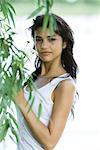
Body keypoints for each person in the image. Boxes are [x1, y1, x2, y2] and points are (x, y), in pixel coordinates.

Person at [15, 13, 78, 150]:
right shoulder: (32, 79)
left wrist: (22, 102)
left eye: (51, 39)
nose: (44, 45)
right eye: (39, 39)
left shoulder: (64, 85)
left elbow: (50, 142)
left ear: (64, 43)